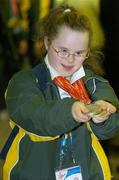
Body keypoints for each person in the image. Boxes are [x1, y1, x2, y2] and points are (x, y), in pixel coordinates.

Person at [3, 5, 119, 180]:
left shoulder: (93, 82)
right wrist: (70, 111)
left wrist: (103, 117)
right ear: (47, 42)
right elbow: (34, 117)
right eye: (63, 50)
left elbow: (108, 129)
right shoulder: (23, 82)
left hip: (87, 172)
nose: (71, 59)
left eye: (80, 52)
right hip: (34, 172)